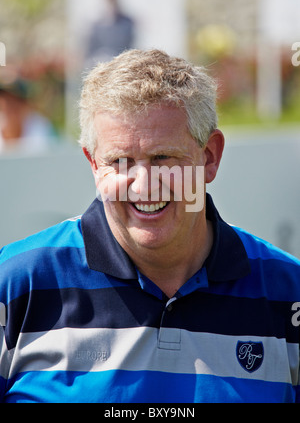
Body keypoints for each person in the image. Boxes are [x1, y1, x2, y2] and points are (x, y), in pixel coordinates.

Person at [0, 49, 299, 403]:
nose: (143, 185)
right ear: (94, 164)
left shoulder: (287, 291)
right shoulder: (16, 284)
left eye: (162, 158)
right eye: (120, 161)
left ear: (209, 157)